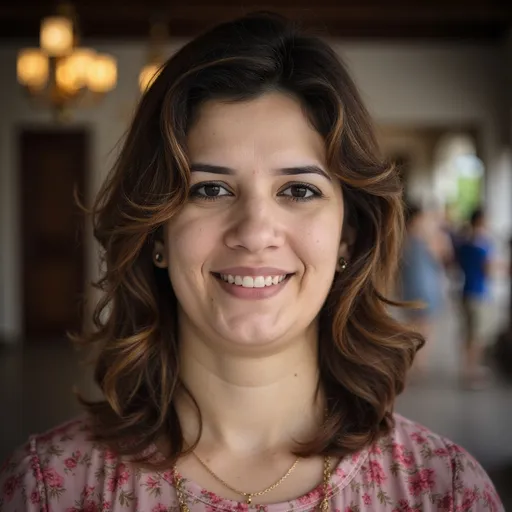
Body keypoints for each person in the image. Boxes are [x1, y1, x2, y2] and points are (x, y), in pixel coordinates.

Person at [0, 13, 503, 512]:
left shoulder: (443, 490)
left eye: (299, 190)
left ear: (348, 236)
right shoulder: (47, 489)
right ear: (156, 229)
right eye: (211, 188)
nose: (255, 232)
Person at [399, 204, 450, 374]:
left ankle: (412, 357)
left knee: (412, 323)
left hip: (409, 284)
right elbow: (440, 258)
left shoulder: (402, 237)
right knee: (425, 324)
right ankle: (419, 360)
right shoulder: (427, 238)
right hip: (426, 285)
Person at [456, 208, 496, 389]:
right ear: (481, 220)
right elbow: (488, 269)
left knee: (467, 334)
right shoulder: (483, 243)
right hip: (479, 293)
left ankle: (467, 369)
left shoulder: (464, 242)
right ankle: (472, 373)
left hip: (465, 291)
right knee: (477, 337)